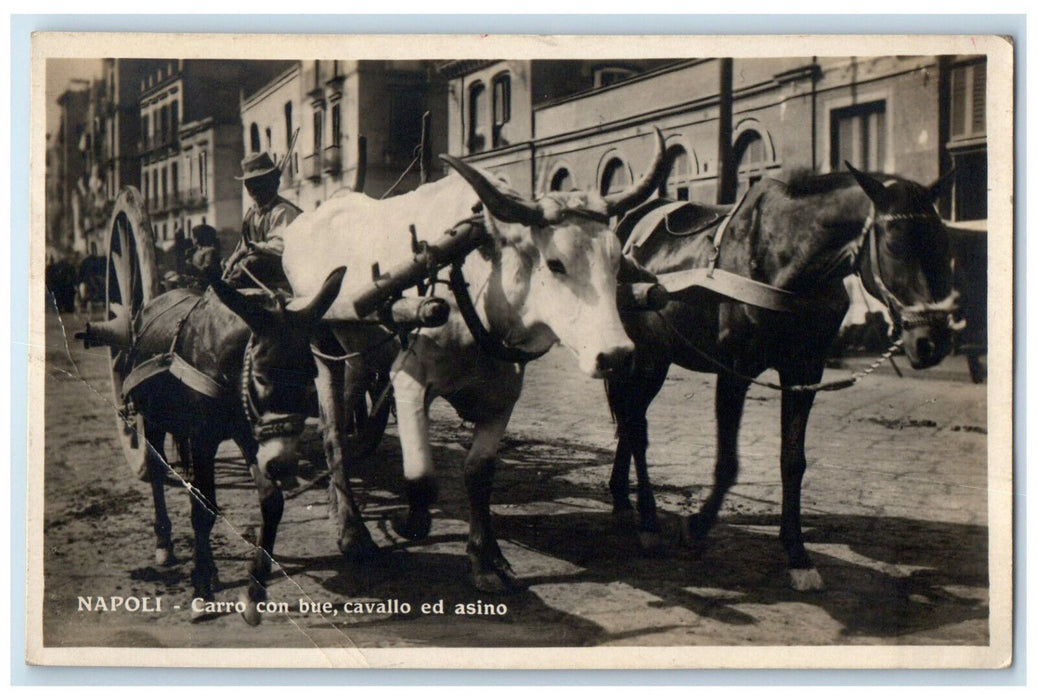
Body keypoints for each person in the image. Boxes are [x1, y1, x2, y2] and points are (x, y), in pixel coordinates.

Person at [222, 152, 302, 290]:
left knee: (250, 263)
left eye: (259, 182)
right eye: (249, 184)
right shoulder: (251, 215)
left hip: (286, 269)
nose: (254, 189)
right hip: (258, 269)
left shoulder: (283, 210)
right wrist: (230, 262)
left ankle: (226, 292)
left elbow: (280, 247)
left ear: (272, 182)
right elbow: (242, 246)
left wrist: (251, 248)